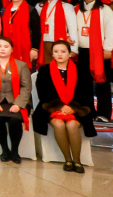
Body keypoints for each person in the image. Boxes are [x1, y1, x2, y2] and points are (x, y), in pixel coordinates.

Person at [34, 40, 96, 173]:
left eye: (63, 51)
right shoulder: (44, 70)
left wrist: (72, 108)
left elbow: (86, 93)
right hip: (52, 107)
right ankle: (68, 159)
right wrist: (60, 107)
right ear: (52, 54)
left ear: (70, 53)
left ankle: (77, 161)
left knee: (71, 125)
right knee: (59, 124)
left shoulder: (81, 69)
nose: (59, 54)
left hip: (77, 108)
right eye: (56, 52)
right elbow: (43, 93)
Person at [0, 37, 32, 163]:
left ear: (12, 49)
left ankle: (15, 150)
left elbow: (26, 87)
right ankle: (5, 149)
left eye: (6, 46)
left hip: (16, 101)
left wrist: (18, 104)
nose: (2, 49)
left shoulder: (21, 65)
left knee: (15, 120)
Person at [75, 0, 113, 119]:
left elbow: (110, 30)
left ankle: (104, 113)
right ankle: (88, 111)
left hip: (99, 51)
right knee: (83, 83)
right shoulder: (76, 9)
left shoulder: (105, 9)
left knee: (102, 83)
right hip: (82, 51)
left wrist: (108, 48)